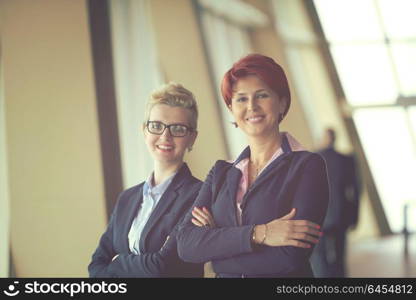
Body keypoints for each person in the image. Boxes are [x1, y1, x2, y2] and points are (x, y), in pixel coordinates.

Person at [176, 54, 329, 277]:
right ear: (231, 109)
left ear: (282, 103)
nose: (252, 106)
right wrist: (260, 234)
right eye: (241, 99)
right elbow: (186, 244)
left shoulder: (307, 166)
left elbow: (289, 257)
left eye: (262, 95)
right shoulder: (221, 172)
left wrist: (216, 253)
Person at [88, 82, 203, 277]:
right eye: (156, 126)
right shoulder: (127, 198)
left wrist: (117, 262)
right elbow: (96, 265)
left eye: (178, 128)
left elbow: (162, 267)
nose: (165, 136)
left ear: (192, 138)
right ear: (144, 130)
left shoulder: (199, 195)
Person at [310, 128, 360, 277]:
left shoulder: (312, 159)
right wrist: (355, 216)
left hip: (318, 216)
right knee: (339, 255)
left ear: (323, 139)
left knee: (319, 257)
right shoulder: (347, 159)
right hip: (341, 215)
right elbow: (356, 191)